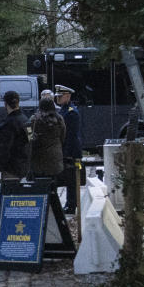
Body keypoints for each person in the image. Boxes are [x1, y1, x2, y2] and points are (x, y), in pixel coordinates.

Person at [0, 90, 30, 184]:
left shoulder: (7, 124)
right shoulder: (26, 120)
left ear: (5, 104)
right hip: (26, 166)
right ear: (18, 103)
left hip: (11, 168)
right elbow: (31, 141)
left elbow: (3, 149)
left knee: (11, 196)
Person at [55, 84, 82, 213]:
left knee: (71, 180)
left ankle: (71, 205)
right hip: (66, 149)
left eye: (60, 96)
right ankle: (69, 203)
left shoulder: (71, 112)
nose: (58, 99)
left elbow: (70, 135)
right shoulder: (63, 110)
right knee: (67, 178)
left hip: (71, 151)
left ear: (67, 96)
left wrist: (66, 153)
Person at [28, 96, 66, 181]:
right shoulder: (59, 119)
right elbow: (63, 137)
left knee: (39, 186)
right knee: (53, 184)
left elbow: (28, 137)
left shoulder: (33, 119)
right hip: (55, 160)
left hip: (38, 159)